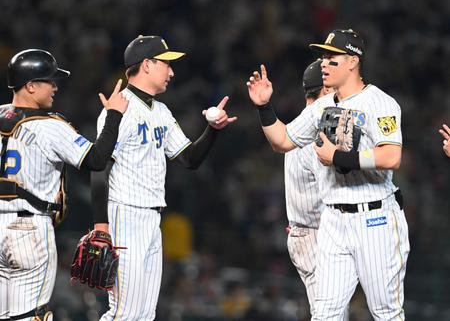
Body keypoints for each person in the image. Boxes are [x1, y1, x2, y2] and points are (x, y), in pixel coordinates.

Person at [247, 29, 409, 320]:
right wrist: (263, 107)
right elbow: (282, 141)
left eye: (332, 58)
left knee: (386, 312)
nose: (323, 63)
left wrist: (338, 156)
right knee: (324, 314)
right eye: (323, 57)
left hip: (375, 218)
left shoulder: (380, 102)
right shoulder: (321, 106)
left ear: (352, 61)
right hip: (333, 221)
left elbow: (391, 156)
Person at [91, 35, 237, 321]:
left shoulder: (162, 111)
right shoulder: (119, 108)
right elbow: (99, 168)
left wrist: (213, 129)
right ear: (146, 65)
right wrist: (101, 226)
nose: (171, 71)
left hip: (152, 217)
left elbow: (189, 159)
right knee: (124, 312)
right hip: (125, 214)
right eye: (165, 64)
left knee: (145, 314)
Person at [0, 49, 128, 320]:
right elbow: (96, 160)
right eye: (50, 81)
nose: (55, 87)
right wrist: (114, 115)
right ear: (31, 85)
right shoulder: (51, 127)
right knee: (30, 317)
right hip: (30, 230)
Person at [285, 59, 343, 319]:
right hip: (314, 235)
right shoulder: (314, 133)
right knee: (326, 313)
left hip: (308, 231)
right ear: (327, 91)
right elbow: (335, 188)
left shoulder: (298, 126)